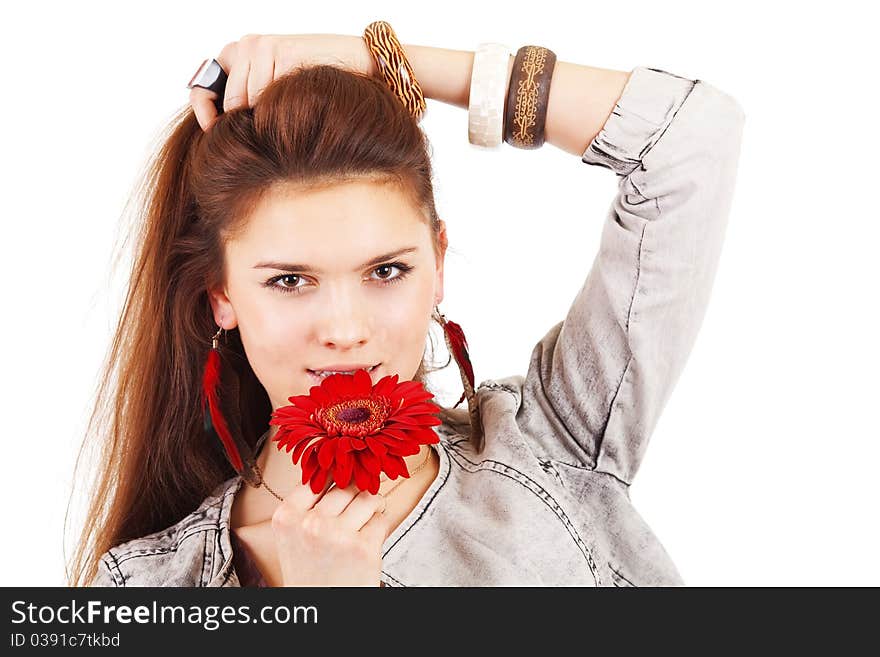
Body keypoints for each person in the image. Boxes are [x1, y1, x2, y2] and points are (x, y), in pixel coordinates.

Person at [68, 29, 745, 587]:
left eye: (386, 270)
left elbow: (690, 139)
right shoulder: (147, 586)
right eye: (289, 281)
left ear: (439, 262)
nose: (345, 330)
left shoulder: (551, 446)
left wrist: (384, 61)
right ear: (221, 295)